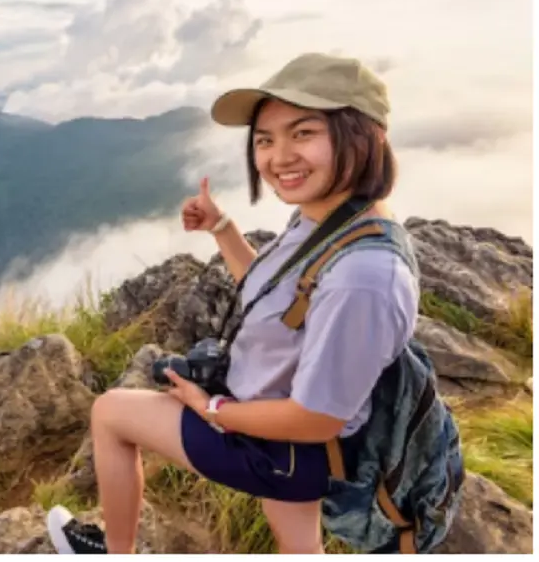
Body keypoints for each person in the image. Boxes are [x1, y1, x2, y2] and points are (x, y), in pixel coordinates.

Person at [46, 53, 421, 554]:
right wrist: (222, 229)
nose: (278, 157)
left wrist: (214, 408)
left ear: (363, 134)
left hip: (283, 450)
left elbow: (318, 418)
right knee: (296, 538)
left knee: (112, 413)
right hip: (294, 447)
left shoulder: (364, 274)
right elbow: (279, 296)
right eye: (265, 140)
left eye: (303, 133)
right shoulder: (331, 219)